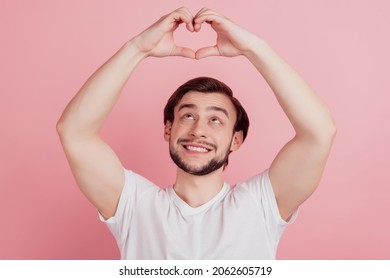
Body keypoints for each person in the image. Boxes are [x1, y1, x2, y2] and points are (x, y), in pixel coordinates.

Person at [57, 7, 336, 259]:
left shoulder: (261, 205)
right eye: (188, 116)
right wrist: (137, 49)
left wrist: (254, 48)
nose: (198, 130)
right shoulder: (134, 206)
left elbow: (319, 133)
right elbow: (74, 132)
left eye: (216, 120)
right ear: (168, 129)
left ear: (235, 139)